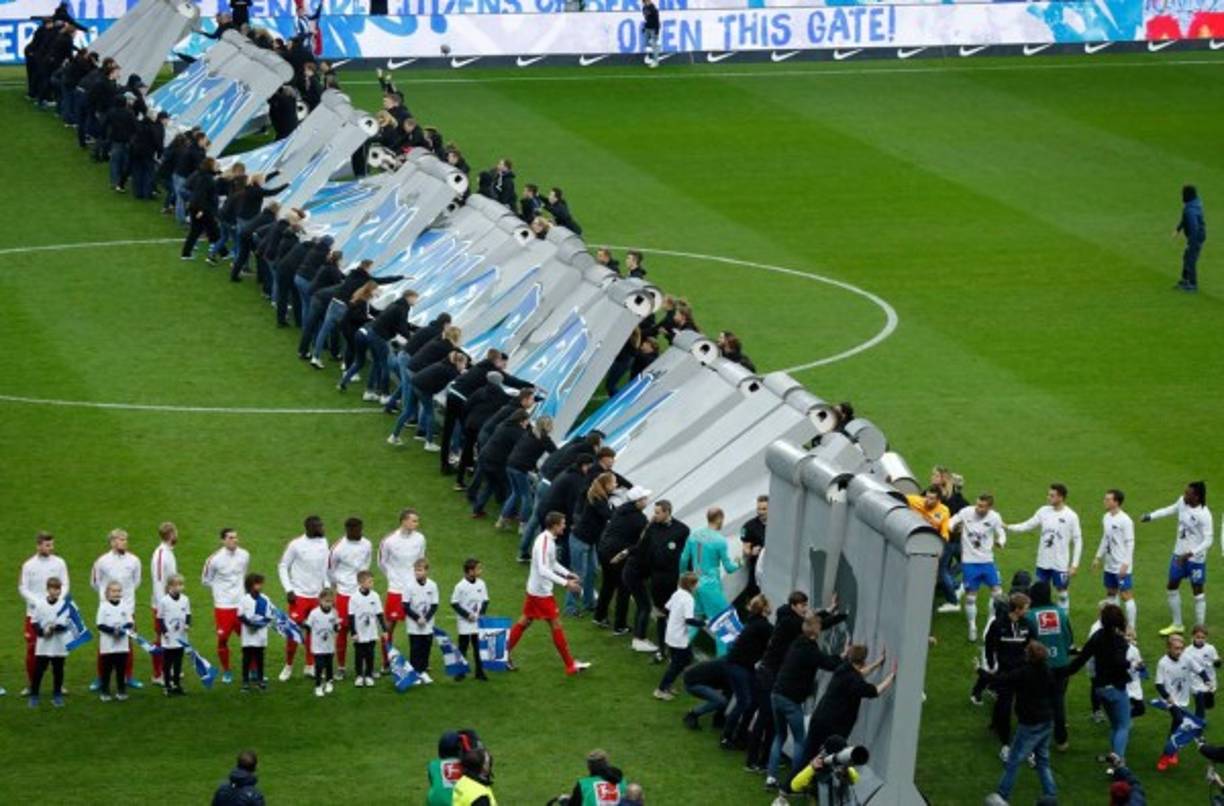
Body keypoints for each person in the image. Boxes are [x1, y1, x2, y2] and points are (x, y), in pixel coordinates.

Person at [764, 613, 842, 790]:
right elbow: (829, 664)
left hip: (776, 695)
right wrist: (842, 656)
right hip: (790, 701)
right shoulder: (810, 650)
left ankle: (771, 777)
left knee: (779, 736)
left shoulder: (798, 642)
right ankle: (796, 780)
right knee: (801, 740)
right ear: (816, 633)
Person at [507, 512, 591, 675]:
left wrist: (567, 573)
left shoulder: (547, 540)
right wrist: (566, 584)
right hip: (541, 593)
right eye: (562, 523)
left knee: (525, 621)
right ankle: (570, 665)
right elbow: (543, 569)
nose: (564, 526)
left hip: (536, 589)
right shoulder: (545, 542)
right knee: (556, 624)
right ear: (554, 526)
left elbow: (552, 563)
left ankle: (502, 654)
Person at [800, 644, 896, 770]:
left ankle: (789, 785)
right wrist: (891, 676)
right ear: (863, 661)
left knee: (808, 754)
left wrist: (878, 663)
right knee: (828, 757)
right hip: (834, 725)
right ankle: (812, 782)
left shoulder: (843, 669)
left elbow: (860, 673)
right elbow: (875, 691)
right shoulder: (854, 681)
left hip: (819, 718)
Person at [988, 641, 1059, 805]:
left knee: (1013, 759)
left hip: (1029, 723)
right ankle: (1050, 795)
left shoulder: (1024, 672)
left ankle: (1002, 795)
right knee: (1042, 760)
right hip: (1047, 721)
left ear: (1029, 656)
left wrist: (980, 671)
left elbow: (1001, 679)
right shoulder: (1048, 671)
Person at [1061, 603, 1133, 763]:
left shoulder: (1097, 636)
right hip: (1116, 688)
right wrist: (1132, 664)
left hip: (1100, 688)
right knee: (1124, 726)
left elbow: (1080, 660)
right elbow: (1120, 662)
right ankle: (1119, 761)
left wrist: (1061, 673)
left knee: (1115, 725)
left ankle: (1114, 756)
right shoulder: (1119, 641)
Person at [1141, 481, 1213, 635]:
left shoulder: (1204, 515)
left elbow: (1208, 540)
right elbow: (1170, 509)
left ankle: (1199, 628)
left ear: (1197, 496)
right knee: (1172, 586)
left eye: (1188, 493)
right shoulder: (1182, 502)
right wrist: (1151, 516)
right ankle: (1177, 624)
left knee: (1198, 591)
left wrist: (1191, 553)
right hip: (1178, 554)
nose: (1184, 495)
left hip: (1195, 560)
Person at [1006, 483, 1083, 612]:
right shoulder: (1043, 511)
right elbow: (1028, 525)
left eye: (1052, 495)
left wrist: (1074, 564)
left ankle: (1064, 619)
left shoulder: (1071, 516)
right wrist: (1009, 527)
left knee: (1062, 593)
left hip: (1060, 563)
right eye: (1049, 495)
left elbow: (1078, 540)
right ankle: (1042, 620)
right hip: (1043, 562)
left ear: (1061, 497)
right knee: (1040, 591)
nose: (1048, 497)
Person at [678, 507, 739, 656]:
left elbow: (684, 558)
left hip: (694, 584)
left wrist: (683, 578)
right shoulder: (719, 540)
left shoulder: (695, 534)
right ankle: (721, 663)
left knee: (696, 620)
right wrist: (741, 561)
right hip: (710, 586)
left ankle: (677, 651)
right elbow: (730, 568)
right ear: (719, 519)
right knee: (722, 623)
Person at [277, 515, 330, 681]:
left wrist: (326, 584)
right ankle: (288, 666)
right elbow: (283, 565)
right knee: (292, 633)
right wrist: (288, 589)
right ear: (310, 528)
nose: (322, 528)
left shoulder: (323, 542)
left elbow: (324, 567)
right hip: (299, 596)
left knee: (313, 631)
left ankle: (310, 666)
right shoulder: (296, 545)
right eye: (319, 526)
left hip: (316, 596)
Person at [949, 493, 1007, 642]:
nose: (978, 508)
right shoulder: (966, 512)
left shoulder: (994, 517)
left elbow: (1001, 533)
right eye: (977, 504)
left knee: (997, 593)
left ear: (989, 507)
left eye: (982, 506)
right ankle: (972, 626)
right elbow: (951, 522)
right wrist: (953, 527)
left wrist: (1000, 541)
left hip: (987, 561)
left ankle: (991, 622)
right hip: (969, 563)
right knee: (970, 598)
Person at [635, 499, 690, 656]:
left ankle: (676, 649)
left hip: (673, 577)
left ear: (667, 512)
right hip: (657, 577)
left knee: (674, 614)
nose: (655, 515)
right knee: (660, 613)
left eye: (658, 513)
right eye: (655, 512)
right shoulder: (652, 527)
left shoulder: (682, 530)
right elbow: (643, 547)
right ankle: (662, 648)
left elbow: (686, 555)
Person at [90, 528, 142, 691]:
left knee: (128, 643)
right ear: (112, 542)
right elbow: (95, 583)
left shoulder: (134, 561)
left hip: (127, 608)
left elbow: (136, 582)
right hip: (107, 609)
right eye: (120, 539)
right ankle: (101, 677)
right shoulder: (102, 561)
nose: (124, 542)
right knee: (105, 644)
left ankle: (128, 676)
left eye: (126, 539)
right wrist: (107, 600)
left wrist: (125, 603)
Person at [595, 487, 652, 634]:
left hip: (604, 549)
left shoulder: (621, 510)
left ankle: (599, 615)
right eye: (644, 498)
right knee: (623, 588)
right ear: (637, 501)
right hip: (618, 554)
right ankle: (620, 625)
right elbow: (643, 541)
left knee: (608, 584)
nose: (647, 500)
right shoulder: (639, 519)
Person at [1025, 581, 1073, 751]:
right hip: (1061, 664)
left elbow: (1027, 643)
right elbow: (1069, 640)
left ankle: (1036, 739)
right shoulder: (1060, 613)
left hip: (1040, 666)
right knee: (1058, 701)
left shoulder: (1030, 616)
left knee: (1037, 700)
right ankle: (1062, 740)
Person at [20, 532, 69, 695]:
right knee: (33, 649)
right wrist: (39, 602)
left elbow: (66, 584)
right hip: (34, 613)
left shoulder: (60, 563)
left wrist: (56, 601)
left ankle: (58, 685)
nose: (51, 548)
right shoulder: (28, 565)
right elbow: (22, 587)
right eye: (48, 545)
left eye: (52, 545)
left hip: (56, 613)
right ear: (39, 545)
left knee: (58, 649)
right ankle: (31, 684)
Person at [721, 594, 772, 747]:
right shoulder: (762, 626)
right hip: (739, 665)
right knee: (744, 702)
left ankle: (735, 734)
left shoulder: (753, 622)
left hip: (739, 664)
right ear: (764, 608)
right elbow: (778, 635)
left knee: (746, 700)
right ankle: (727, 736)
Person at [379, 508, 427, 670]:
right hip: (396, 589)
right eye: (414, 520)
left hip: (415, 589)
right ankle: (386, 661)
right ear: (404, 521)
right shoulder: (389, 541)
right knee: (389, 626)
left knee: (419, 625)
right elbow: (382, 563)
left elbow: (421, 560)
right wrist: (393, 578)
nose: (416, 523)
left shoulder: (420, 538)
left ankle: (419, 662)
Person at [202, 528, 250, 685]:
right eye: (230, 538)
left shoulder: (244, 555)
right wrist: (221, 592)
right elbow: (206, 580)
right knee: (222, 640)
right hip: (223, 607)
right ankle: (227, 670)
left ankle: (253, 669)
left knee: (249, 638)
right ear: (222, 540)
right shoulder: (214, 560)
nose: (234, 540)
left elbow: (243, 574)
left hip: (241, 605)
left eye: (236, 537)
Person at [1156, 632, 1211, 770]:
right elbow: (1158, 684)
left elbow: (1200, 670)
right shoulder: (1163, 663)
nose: (1179, 651)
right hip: (1169, 700)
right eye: (1176, 648)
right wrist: (1167, 697)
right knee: (1179, 720)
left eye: (1181, 648)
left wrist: (1207, 680)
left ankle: (1171, 751)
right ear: (1168, 648)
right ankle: (1166, 755)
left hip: (1183, 700)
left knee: (1176, 725)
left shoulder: (1186, 658)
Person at [327, 516, 371, 678]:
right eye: (355, 530)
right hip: (345, 594)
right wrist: (339, 584)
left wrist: (363, 582)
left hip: (361, 594)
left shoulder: (367, 544)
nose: (359, 532)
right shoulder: (338, 548)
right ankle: (341, 667)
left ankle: (366, 666)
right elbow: (330, 570)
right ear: (348, 530)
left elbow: (367, 562)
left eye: (360, 529)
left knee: (364, 630)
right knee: (343, 630)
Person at [1091, 489, 1138, 630]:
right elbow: (1105, 539)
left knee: (1126, 595)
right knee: (1111, 593)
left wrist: (1126, 564)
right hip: (1109, 564)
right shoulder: (1106, 517)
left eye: (1108, 499)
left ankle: (1131, 627)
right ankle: (1115, 624)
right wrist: (1098, 557)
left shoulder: (1125, 520)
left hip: (1121, 565)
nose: (1104, 501)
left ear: (1116, 502)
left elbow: (1130, 543)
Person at [655, 573, 704, 700]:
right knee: (677, 664)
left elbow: (666, 608)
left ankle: (668, 685)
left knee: (686, 659)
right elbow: (689, 620)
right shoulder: (688, 599)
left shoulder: (677, 593)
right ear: (691, 585)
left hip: (671, 633)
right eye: (696, 583)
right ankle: (661, 689)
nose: (698, 585)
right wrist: (704, 623)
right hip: (679, 638)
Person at [29, 576, 69, 708]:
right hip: (44, 645)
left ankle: (57, 694)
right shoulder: (40, 604)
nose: (56, 591)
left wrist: (53, 629)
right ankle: (34, 695)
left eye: (58, 589)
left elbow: (65, 624)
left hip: (58, 644)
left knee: (58, 670)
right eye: (53, 588)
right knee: (39, 670)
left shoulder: (64, 605)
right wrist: (41, 632)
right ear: (47, 589)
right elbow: (34, 621)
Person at [148, 522, 178, 686]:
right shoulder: (161, 555)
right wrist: (162, 608)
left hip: (171, 603)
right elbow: (159, 583)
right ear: (171, 534)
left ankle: (169, 669)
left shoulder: (168, 552)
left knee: (171, 637)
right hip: (162, 606)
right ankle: (157, 673)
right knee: (160, 638)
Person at [451, 558, 489, 682]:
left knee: (478, 647)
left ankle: (479, 672)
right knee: (463, 646)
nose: (480, 571)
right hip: (464, 622)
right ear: (470, 571)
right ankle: (460, 672)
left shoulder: (481, 583)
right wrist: (467, 615)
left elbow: (485, 600)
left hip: (477, 622)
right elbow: (454, 603)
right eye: (478, 568)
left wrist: (482, 613)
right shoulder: (460, 586)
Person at [96, 581, 133, 702]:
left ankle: (121, 691)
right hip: (108, 645)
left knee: (121, 670)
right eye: (113, 591)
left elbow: (129, 622)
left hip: (122, 645)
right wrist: (113, 631)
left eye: (118, 591)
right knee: (106, 670)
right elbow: (100, 625)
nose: (116, 593)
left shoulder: (125, 605)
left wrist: (122, 631)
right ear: (107, 593)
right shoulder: (103, 606)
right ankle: (105, 691)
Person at [405, 558, 440, 683]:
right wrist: (417, 618)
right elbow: (405, 606)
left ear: (426, 571)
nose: (417, 573)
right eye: (416, 570)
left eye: (420, 570)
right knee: (415, 649)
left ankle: (423, 671)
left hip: (428, 624)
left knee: (426, 648)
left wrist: (426, 618)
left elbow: (435, 605)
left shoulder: (433, 585)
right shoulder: (409, 586)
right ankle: (414, 673)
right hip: (413, 625)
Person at [348, 570, 386, 688]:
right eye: (369, 581)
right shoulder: (354, 598)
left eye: (372, 581)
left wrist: (384, 630)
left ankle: (369, 675)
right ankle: (359, 676)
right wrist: (353, 632)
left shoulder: (375, 596)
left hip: (371, 632)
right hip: (359, 633)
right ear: (361, 583)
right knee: (359, 654)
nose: (372, 583)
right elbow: (351, 616)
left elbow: (379, 614)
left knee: (370, 654)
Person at [156, 573, 191, 696]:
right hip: (168, 639)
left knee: (178, 663)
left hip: (180, 637)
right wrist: (164, 632)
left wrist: (187, 625)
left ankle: (176, 684)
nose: (181, 587)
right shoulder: (164, 601)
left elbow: (188, 614)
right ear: (171, 586)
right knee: (167, 663)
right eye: (179, 584)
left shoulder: (185, 599)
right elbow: (159, 619)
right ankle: (167, 686)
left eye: (182, 584)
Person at [238, 574, 271, 692]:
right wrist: (250, 624)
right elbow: (240, 616)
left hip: (260, 636)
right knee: (246, 659)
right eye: (257, 583)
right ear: (250, 585)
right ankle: (245, 681)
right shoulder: (244, 599)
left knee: (259, 658)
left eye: (260, 583)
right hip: (247, 636)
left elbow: (268, 616)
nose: (260, 586)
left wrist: (259, 625)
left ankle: (260, 680)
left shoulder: (265, 599)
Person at [305, 589, 341, 697]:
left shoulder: (334, 612)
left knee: (329, 665)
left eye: (330, 601)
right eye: (326, 601)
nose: (328, 603)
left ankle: (329, 682)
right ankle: (318, 686)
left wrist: (337, 627)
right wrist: (303, 625)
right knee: (319, 666)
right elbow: (308, 627)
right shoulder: (314, 613)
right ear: (320, 600)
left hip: (329, 646)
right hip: (318, 647)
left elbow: (336, 627)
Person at [736, 495, 768, 610]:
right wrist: (751, 552)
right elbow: (745, 548)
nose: (760, 512)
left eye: (764, 509)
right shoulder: (749, 526)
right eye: (759, 509)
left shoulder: (780, 524)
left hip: (774, 567)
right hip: (757, 568)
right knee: (754, 594)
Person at [681, 658, 730, 730]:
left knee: (727, 694)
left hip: (697, 680)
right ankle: (692, 714)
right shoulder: (729, 666)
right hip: (693, 683)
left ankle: (718, 720)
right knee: (720, 701)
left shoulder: (729, 662)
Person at [1174, 184, 1206, 291]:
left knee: (1190, 259)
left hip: (1195, 237)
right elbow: (1184, 219)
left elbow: (1194, 228)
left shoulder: (1190, 210)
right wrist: (1178, 229)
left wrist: (1192, 244)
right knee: (1186, 256)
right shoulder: (1193, 204)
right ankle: (1185, 280)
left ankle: (1193, 284)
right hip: (1196, 236)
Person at [1186, 625, 1219, 718]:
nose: (1200, 639)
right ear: (1192, 636)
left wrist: (1218, 662)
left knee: (1208, 705)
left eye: (1203, 637)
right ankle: (1198, 723)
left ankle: (1199, 717)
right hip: (1195, 682)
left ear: (1206, 638)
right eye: (1198, 637)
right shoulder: (1187, 651)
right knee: (1199, 704)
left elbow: (1216, 661)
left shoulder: (1211, 648)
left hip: (1210, 681)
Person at [641, 0, 661, 67]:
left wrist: (657, 32)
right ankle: (649, 58)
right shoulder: (644, 8)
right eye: (643, 2)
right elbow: (647, 19)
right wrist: (645, 27)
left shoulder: (654, 9)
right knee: (647, 45)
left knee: (654, 45)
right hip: (647, 29)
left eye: (645, 1)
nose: (644, 3)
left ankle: (656, 61)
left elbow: (657, 21)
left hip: (653, 29)